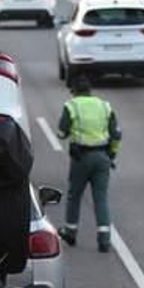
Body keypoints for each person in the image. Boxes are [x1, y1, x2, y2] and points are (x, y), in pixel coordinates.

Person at [57, 73, 122, 253]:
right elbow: (116, 134)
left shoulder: (71, 106)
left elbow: (61, 133)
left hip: (81, 158)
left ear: (73, 90)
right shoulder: (105, 106)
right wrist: (112, 154)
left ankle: (70, 233)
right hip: (103, 158)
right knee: (100, 198)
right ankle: (104, 239)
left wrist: (70, 134)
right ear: (90, 90)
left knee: (74, 195)